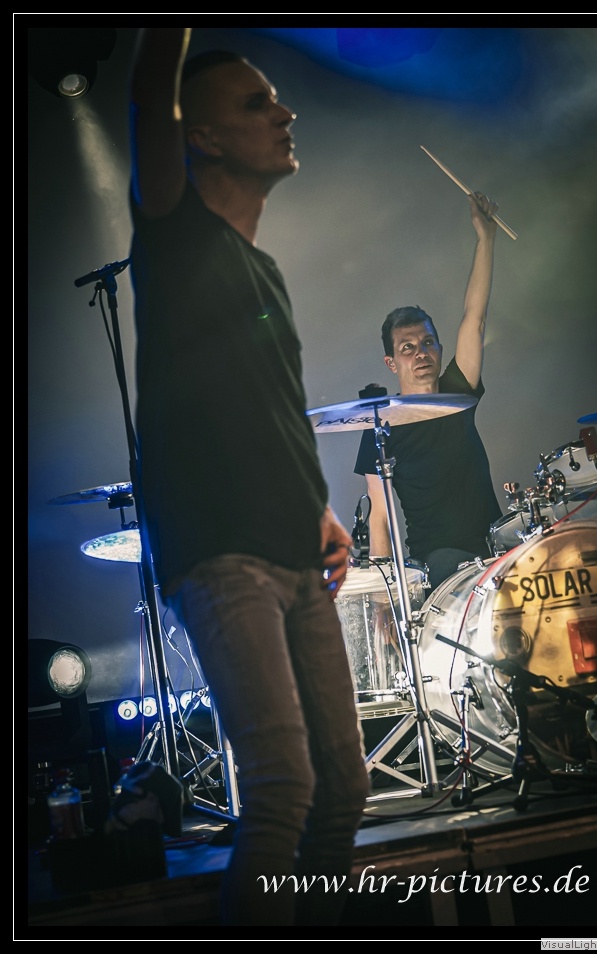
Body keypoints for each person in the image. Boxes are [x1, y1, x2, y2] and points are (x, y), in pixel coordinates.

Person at [127, 28, 370, 926]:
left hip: (293, 551)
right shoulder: (173, 232)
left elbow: (272, 404)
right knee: (282, 787)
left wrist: (320, 509)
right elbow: (149, 92)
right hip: (222, 554)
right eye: (257, 102)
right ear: (201, 136)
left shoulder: (263, 268)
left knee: (344, 788)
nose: (285, 112)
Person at [354, 192, 503, 594]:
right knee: (447, 564)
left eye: (428, 342)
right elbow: (380, 516)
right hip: (439, 563)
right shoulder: (380, 426)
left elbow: (475, 318)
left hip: (496, 549)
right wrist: (385, 597)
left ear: (439, 348)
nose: (420, 353)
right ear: (391, 363)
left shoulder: (457, 393)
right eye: (407, 347)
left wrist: (485, 238)